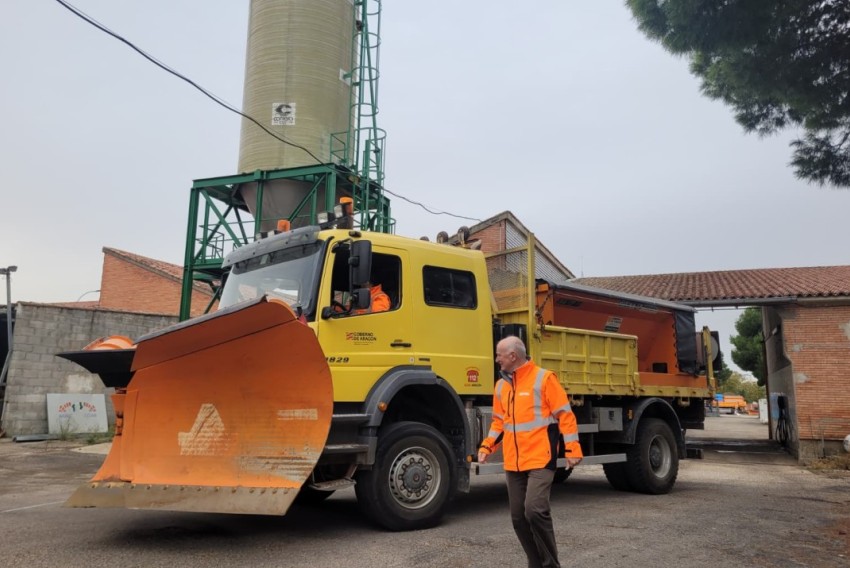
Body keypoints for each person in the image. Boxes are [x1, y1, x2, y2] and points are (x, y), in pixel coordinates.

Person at [478, 336, 582, 568]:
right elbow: (498, 422)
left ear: (513, 356)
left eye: (499, 355)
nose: (497, 360)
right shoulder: (501, 385)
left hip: (540, 457)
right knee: (518, 518)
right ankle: (535, 563)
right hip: (514, 462)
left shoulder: (544, 378)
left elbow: (565, 415)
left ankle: (551, 565)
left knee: (534, 510)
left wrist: (573, 449)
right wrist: (487, 446)